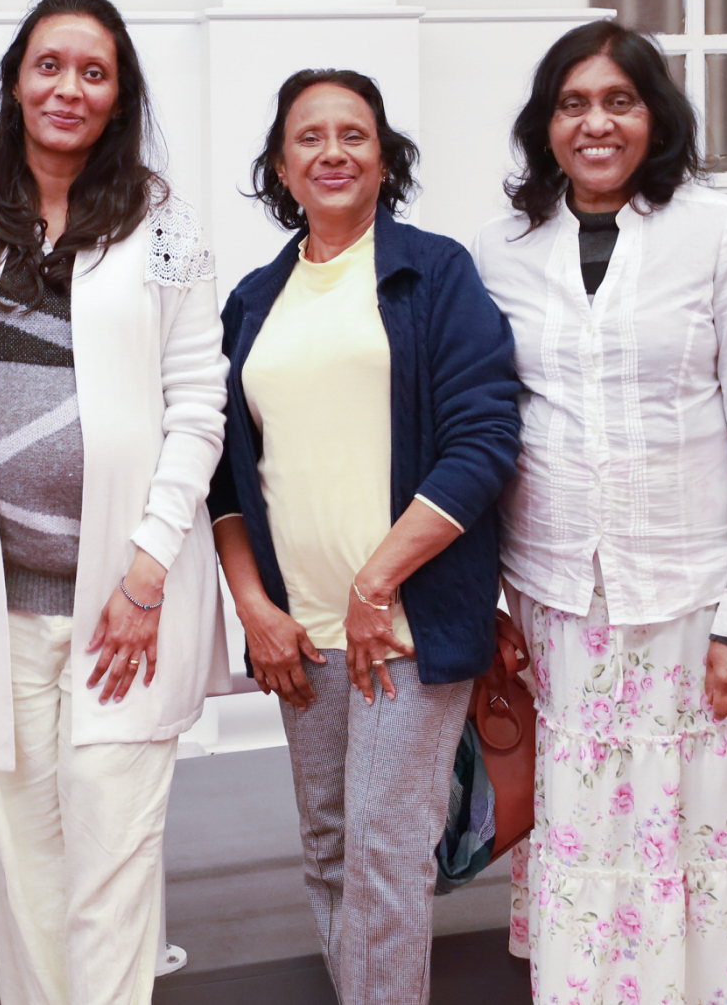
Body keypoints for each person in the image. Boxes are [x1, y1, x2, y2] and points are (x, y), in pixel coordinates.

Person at [0, 0, 229, 1005]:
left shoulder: (161, 224)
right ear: (15, 80)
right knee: (25, 861)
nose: (66, 88)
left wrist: (145, 574)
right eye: (48, 65)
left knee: (112, 860)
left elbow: (197, 405)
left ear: (117, 95)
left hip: (123, 605)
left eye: (92, 71)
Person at [471, 20, 727, 1004]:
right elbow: (488, 427)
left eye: (617, 101)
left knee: (702, 830)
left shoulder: (715, 230)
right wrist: (486, 602)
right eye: (572, 104)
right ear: (544, 125)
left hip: (691, 599)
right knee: (590, 836)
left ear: (653, 115)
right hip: (556, 601)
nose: (594, 123)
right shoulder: (500, 250)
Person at [207, 70, 522, 1004]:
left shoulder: (435, 273)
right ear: (281, 164)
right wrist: (254, 606)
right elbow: (227, 480)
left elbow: (483, 439)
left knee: (385, 849)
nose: (333, 151)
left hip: (407, 628)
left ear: (386, 158)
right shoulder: (252, 303)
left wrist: (378, 582)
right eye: (310, 136)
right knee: (332, 846)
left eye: (355, 133)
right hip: (301, 634)